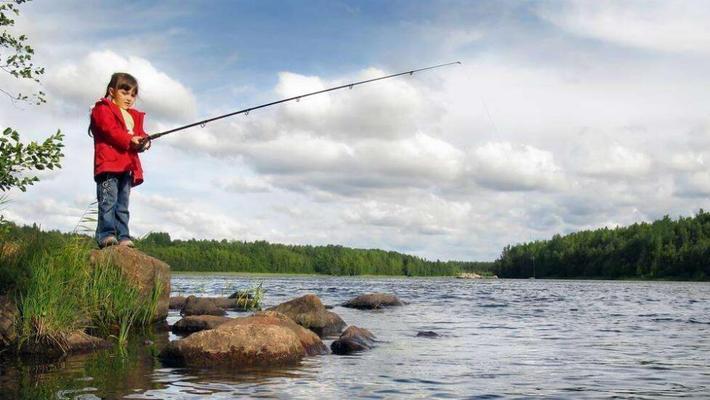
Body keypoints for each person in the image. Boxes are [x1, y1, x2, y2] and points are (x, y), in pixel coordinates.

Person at [89, 72, 151, 248]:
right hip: (108, 166)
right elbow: (110, 130)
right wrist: (129, 139)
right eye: (124, 92)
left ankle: (123, 236)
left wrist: (144, 142)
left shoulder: (134, 116)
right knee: (108, 201)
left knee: (123, 205)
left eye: (133, 94)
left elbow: (140, 135)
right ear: (112, 91)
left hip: (127, 167)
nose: (129, 98)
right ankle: (106, 235)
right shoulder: (102, 109)